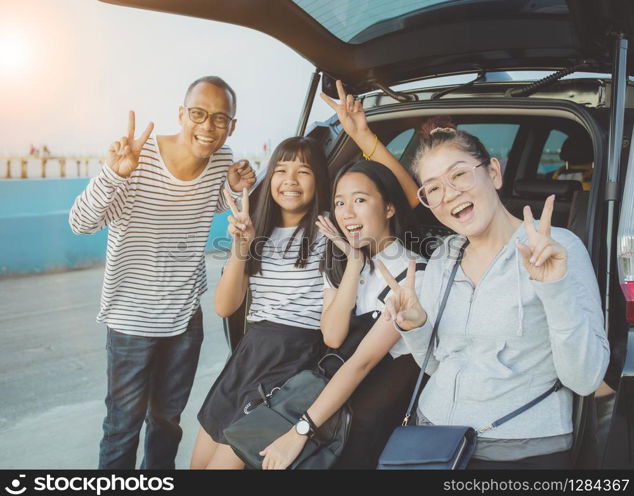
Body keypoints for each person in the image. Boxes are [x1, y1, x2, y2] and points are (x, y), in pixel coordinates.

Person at [258, 112, 609, 470]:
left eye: (459, 174)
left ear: (493, 172)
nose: (450, 193)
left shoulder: (555, 248)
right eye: (434, 188)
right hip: (432, 437)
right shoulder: (444, 256)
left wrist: (554, 289)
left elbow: (585, 379)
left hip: (517, 447)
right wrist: (415, 325)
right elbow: (438, 361)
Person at [69, 76, 256, 469]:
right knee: (122, 427)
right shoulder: (138, 161)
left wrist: (234, 188)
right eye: (198, 114)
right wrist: (114, 173)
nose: (207, 127)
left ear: (232, 126)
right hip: (131, 321)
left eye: (220, 119)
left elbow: (213, 200)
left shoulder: (221, 159)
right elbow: (80, 223)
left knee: (167, 424)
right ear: (181, 114)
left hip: (185, 320)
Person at [191, 136, 331, 469]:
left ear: (319, 180)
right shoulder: (258, 231)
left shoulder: (330, 230)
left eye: (304, 171)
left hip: (290, 362)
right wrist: (242, 244)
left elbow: (398, 201)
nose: (290, 181)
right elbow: (225, 307)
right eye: (281, 170)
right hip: (250, 353)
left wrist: (365, 138)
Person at [316, 160, 425, 469]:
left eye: (359, 200)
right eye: (339, 203)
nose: (347, 212)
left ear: (389, 208)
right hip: (335, 412)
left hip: (370, 423)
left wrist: (302, 430)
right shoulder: (340, 264)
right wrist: (353, 261)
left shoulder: (415, 274)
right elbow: (333, 336)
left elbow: (362, 364)